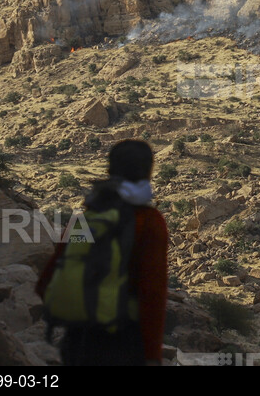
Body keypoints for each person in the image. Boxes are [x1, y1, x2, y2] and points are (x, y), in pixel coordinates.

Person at [36, 139, 168, 366]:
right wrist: (152, 356)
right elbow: (152, 294)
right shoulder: (148, 221)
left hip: (76, 342)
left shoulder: (87, 218)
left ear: (109, 170)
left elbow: (45, 282)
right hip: (123, 342)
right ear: (148, 172)